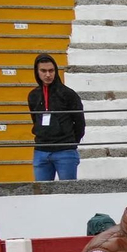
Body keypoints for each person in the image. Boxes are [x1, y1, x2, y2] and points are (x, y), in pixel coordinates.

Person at [28, 53, 84, 181]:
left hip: (65, 152)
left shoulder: (68, 94)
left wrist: (70, 143)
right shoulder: (33, 95)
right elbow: (35, 120)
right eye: (43, 71)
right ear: (37, 72)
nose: (48, 75)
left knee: (69, 194)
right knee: (42, 195)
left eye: (51, 70)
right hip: (41, 151)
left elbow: (80, 123)